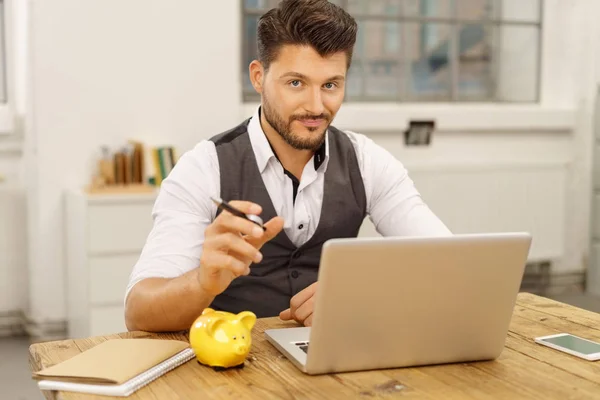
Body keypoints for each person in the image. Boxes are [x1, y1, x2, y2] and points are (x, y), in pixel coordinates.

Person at [124, 0, 451, 333]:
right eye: (296, 83)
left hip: (332, 361)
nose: (315, 106)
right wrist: (201, 283)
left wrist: (364, 294)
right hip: (232, 371)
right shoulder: (203, 168)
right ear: (258, 77)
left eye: (330, 85)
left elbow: (448, 262)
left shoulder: (368, 162)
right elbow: (139, 312)